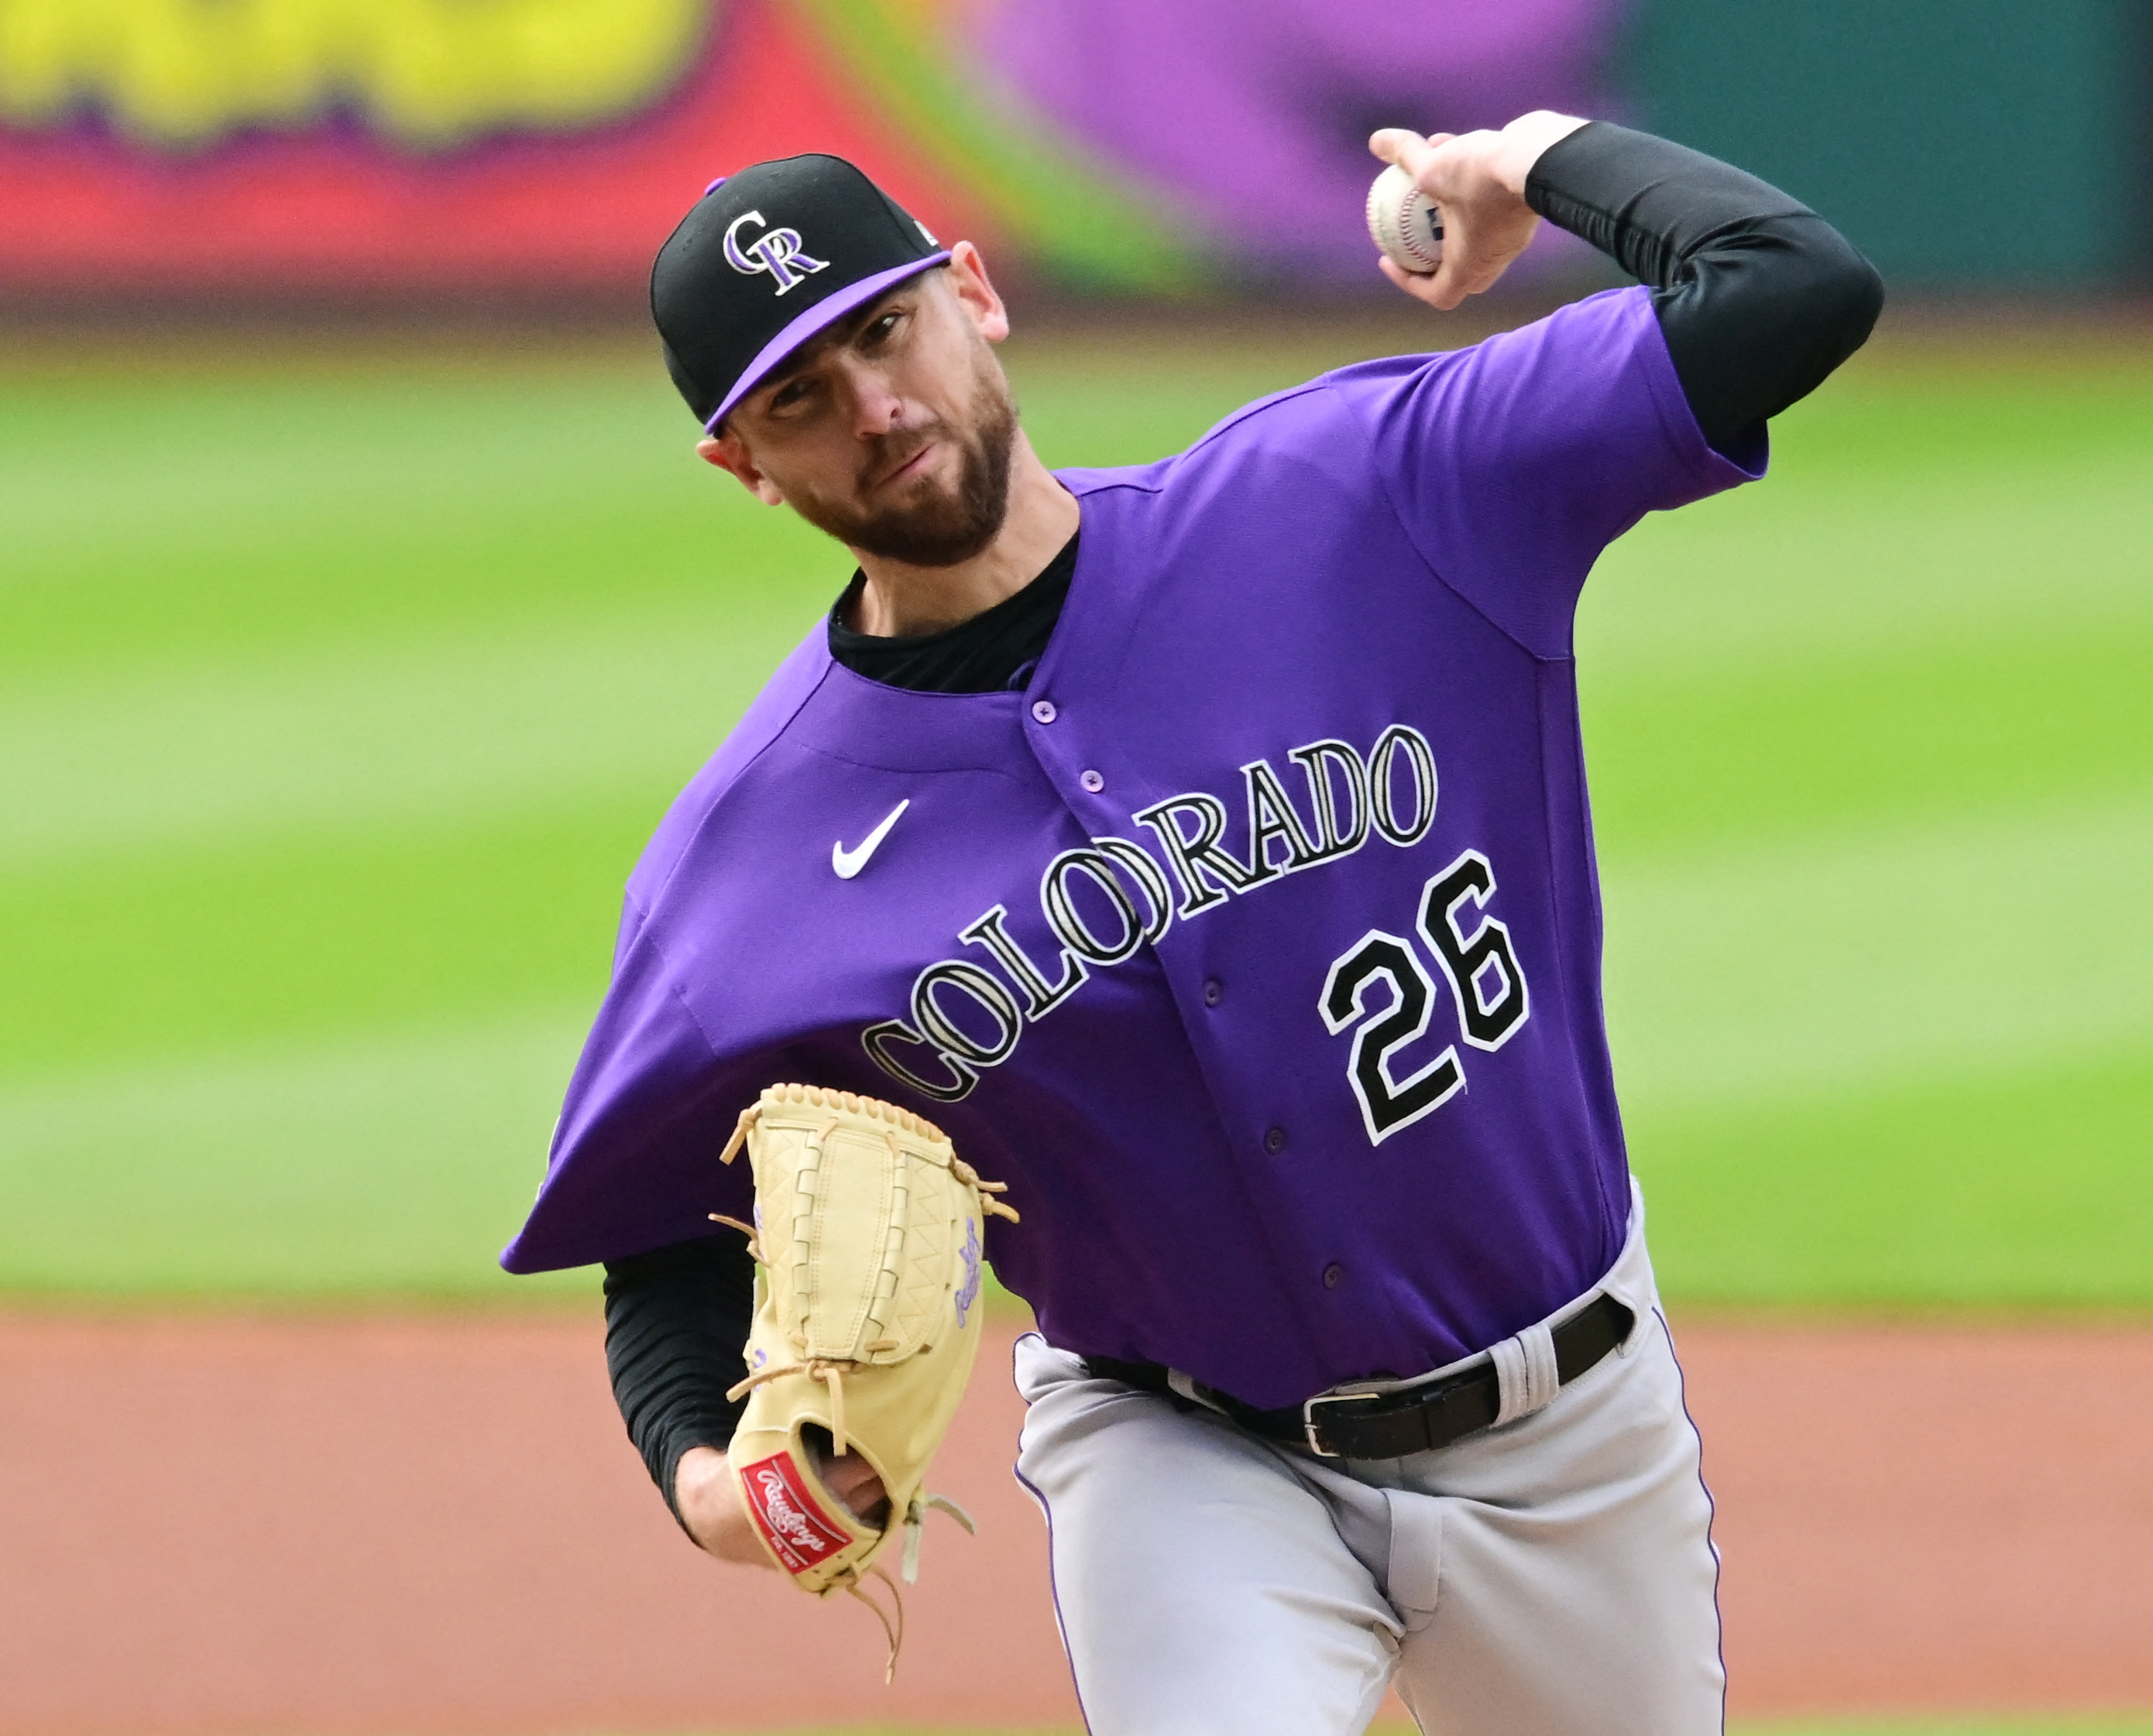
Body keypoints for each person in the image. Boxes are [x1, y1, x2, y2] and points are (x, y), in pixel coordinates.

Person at [504, 111, 1880, 1734]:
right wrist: (712, 1481)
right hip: (1182, 1449)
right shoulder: (744, 864)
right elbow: (660, 1236)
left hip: (1570, 1423)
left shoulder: (1363, 497)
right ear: (742, 464)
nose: (874, 407)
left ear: (973, 291)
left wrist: (1527, 158)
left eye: (884, 330)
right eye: (798, 396)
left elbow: (1794, 286)